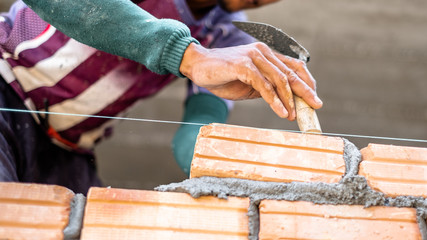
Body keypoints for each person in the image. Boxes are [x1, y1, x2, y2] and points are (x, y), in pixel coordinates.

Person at [0, 0, 322, 195]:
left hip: (66, 150)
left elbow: (194, 136)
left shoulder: (228, 38)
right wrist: (190, 56)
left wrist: (256, 170)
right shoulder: (213, 49)